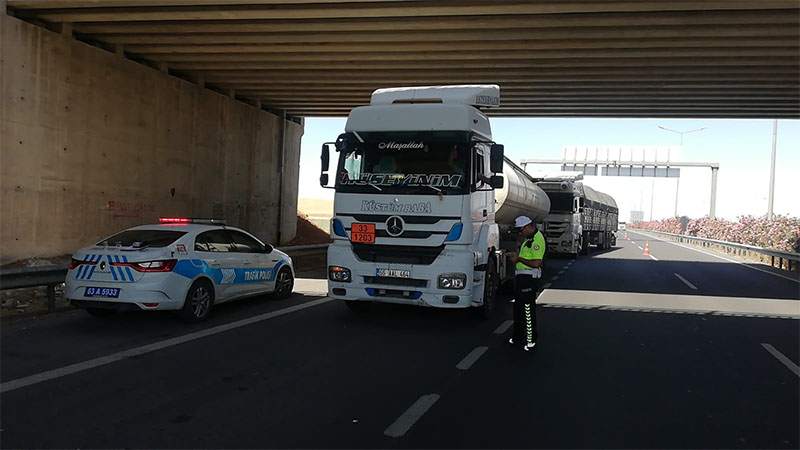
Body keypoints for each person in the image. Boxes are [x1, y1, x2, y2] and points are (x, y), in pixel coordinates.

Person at [506, 216, 545, 351]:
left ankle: (530, 340)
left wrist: (518, 259)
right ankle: (518, 337)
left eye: (521, 230)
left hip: (529, 279)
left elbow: (536, 263)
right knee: (518, 310)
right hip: (522, 278)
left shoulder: (537, 240)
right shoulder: (528, 239)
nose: (520, 233)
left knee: (527, 310)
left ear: (528, 227)